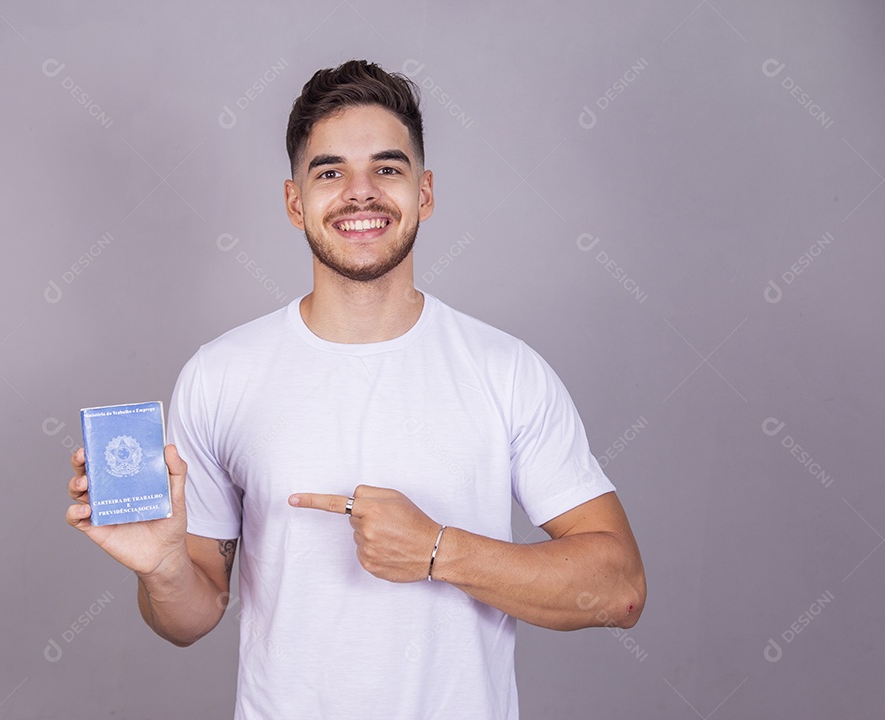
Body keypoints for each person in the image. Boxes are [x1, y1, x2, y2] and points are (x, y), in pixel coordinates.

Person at [67, 59, 646, 719]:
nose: (361, 193)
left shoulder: (506, 371)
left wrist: (437, 550)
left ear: (424, 193)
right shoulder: (219, 375)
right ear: (295, 202)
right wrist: (164, 568)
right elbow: (190, 618)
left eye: (388, 169)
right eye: (331, 171)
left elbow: (619, 589)